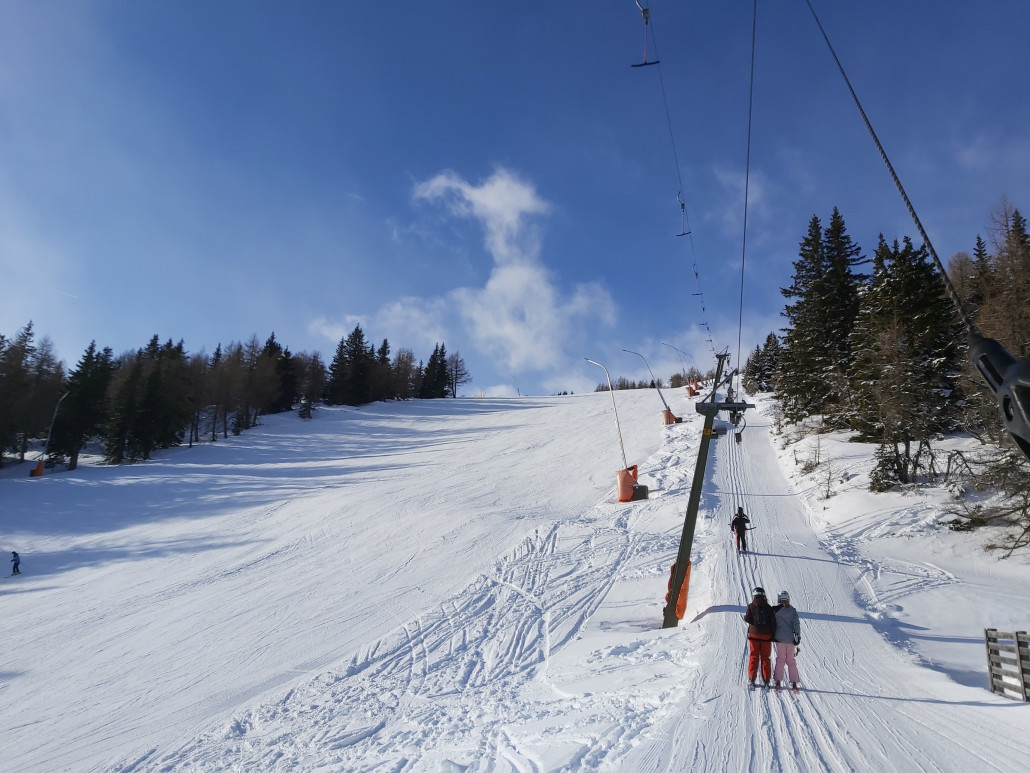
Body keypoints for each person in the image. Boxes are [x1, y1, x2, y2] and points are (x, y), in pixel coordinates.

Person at [744, 586, 775, 685]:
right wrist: (772, 634)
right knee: (765, 657)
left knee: (754, 656)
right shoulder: (769, 607)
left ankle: (751, 679)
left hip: (753, 635)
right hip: (766, 636)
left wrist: (754, 624)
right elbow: (773, 623)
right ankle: (766, 680)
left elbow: (747, 618)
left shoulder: (751, 606)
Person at [773, 590, 801, 690]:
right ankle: (794, 682)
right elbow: (796, 625)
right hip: (790, 639)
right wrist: (797, 638)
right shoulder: (793, 610)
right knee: (791, 660)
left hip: (779, 638)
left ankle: (778, 681)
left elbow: (772, 623)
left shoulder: (776, 610)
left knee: (780, 659)